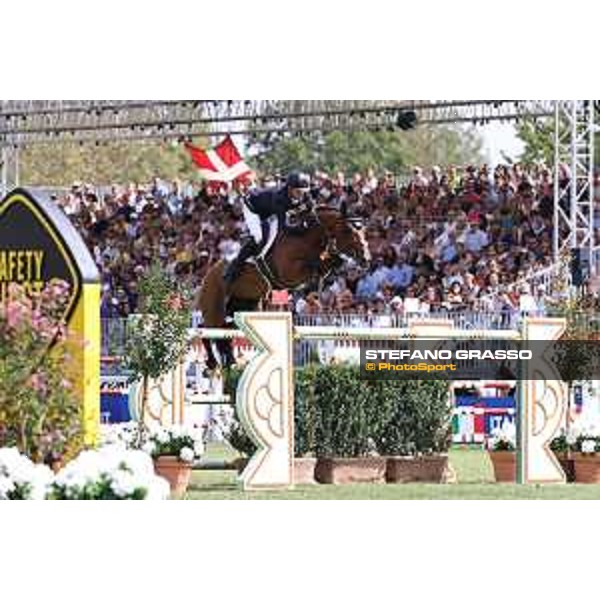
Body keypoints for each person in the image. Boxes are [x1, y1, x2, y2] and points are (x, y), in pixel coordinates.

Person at [223, 172, 313, 284]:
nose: (301, 195)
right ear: (289, 189)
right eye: (298, 192)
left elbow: (311, 209)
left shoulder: (304, 195)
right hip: (253, 208)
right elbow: (283, 228)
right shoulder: (279, 198)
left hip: (270, 210)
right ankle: (234, 269)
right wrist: (301, 228)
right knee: (259, 238)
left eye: (303, 192)